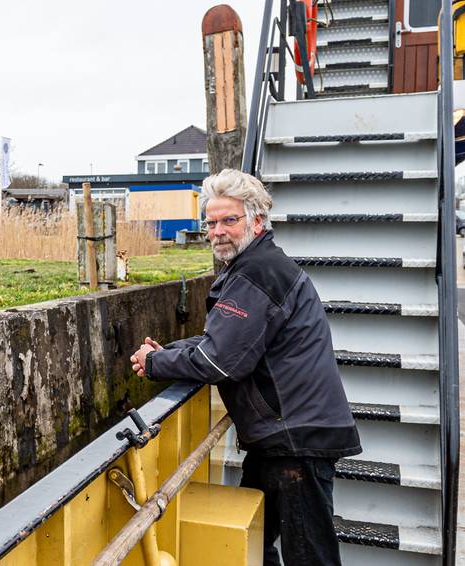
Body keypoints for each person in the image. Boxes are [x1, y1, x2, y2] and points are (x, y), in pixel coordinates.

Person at [130, 169, 360, 566]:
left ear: (256, 221)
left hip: (294, 441)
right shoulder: (254, 267)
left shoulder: (257, 273)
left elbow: (219, 361)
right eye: (211, 222)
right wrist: (166, 351)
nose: (217, 231)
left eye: (229, 220)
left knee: (311, 557)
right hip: (283, 436)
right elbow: (223, 340)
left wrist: (154, 363)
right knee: (255, 544)